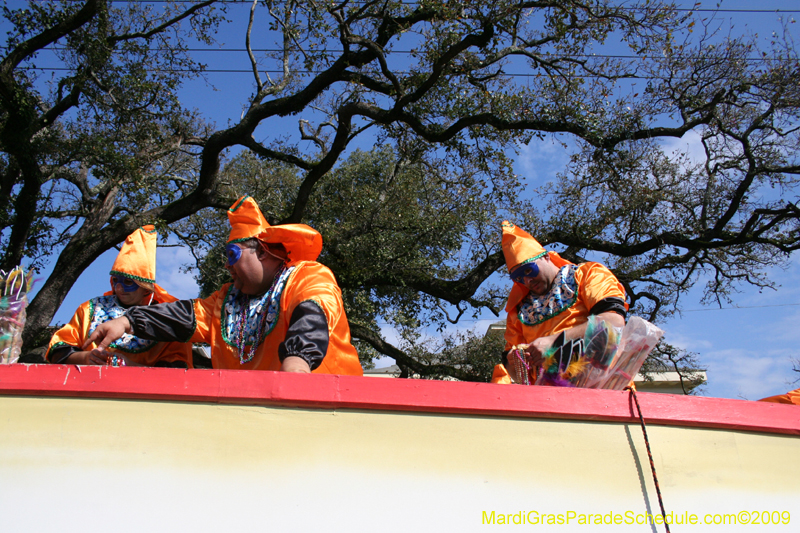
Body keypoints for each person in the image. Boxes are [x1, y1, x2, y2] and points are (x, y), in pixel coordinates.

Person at [84, 195, 363, 376]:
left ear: (263, 252)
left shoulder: (307, 276)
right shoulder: (226, 300)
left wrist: (297, 364)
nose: (227, 266)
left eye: (233, 256)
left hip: (323, 410)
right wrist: (128, 321)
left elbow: (312, 313)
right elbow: (184, 316)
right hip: (250, 417)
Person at [491, 221, 627, 384]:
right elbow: (513, 369)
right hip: (549, 400)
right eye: (519, 278)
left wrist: (553, 342)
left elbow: (614, 321)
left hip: (602, 389)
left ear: (546, 257)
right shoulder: (519, 311)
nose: (527, 281)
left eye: (529, 270)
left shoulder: (587, 275)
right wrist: (518, 360)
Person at [46, 226, 193, 367]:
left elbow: (176, 369)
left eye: (128, 282)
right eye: (115, 281)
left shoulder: (167, 320)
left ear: (146, 289)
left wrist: (130, 367)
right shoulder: (90, 310)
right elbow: (59, 349)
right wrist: (85, 358)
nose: (119, 288)